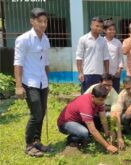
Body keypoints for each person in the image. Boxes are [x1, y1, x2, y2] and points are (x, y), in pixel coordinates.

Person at [14, 8, 52, 157]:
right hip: (30, 82)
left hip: (43, 82)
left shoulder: (45, 39)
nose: (43, 24)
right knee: (36, 113)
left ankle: (37, 141)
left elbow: (46, 63)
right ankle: (29, 145)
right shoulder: (23, 39)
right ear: (32, 21)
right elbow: (18, 63)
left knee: (41, 113)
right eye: (40, 21)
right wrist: (18, 86)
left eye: (45, 21)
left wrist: (47, 83)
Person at [57, 85, 119, 153]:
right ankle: (72, 139)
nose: (102, 102)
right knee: (84, 133)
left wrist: (106, 132)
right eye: (100, 100)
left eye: (104, 99)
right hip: (65, 123)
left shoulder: (99, 100)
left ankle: (87, 135)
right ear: (93, 97)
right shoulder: (86, 105)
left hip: (80, 120)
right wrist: (107, 146)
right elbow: (93, 130)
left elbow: (103, 118)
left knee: (99, 122)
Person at [76, 16, 111, 94]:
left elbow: (106, 58)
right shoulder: (83, 39)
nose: (99, 28)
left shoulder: (103, 41)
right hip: (87, 74)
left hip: (100, 74)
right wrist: (80, 73)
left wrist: (106, 74)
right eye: (97, 26)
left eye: (101, 26)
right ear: (91, 26)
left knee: (99, 95)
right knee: (86, 95)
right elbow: (79, 57)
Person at [103, 19, 123, 93]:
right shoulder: (101, 41)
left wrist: (119, 69)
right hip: (103, 74)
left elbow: (120, 56)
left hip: (115, 73)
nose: (112, 31)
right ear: (104, 30)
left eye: (114, 29)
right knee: (104, 93)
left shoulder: (117, 42)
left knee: (115, 92)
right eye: (110, 29)